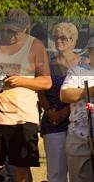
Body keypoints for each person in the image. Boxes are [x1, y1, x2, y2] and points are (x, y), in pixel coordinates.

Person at [0, 9, 52, 182]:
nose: (11, 35)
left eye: (16, 32)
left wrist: (20, 81)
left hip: (21, 118)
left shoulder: (35, 45)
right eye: (8, 30)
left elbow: (46, 82)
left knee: (21, 168)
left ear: (26, 30)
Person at [39, 22, 82, 182]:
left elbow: (86, 92)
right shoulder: (47, 63)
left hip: (78, 122)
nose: (58, 41)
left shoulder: (85, 64)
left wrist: (65, 112)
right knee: (55, 174)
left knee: (80, 173)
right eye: (55, 37)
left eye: (63, 38)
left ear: (73, 41)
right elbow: (40, 92)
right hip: (53, 122)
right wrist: (50, 112)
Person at [60, 36, 94, 182]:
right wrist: (91, 91)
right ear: (90, 52)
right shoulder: (77, 71)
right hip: (80, 139)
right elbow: (65, 94)